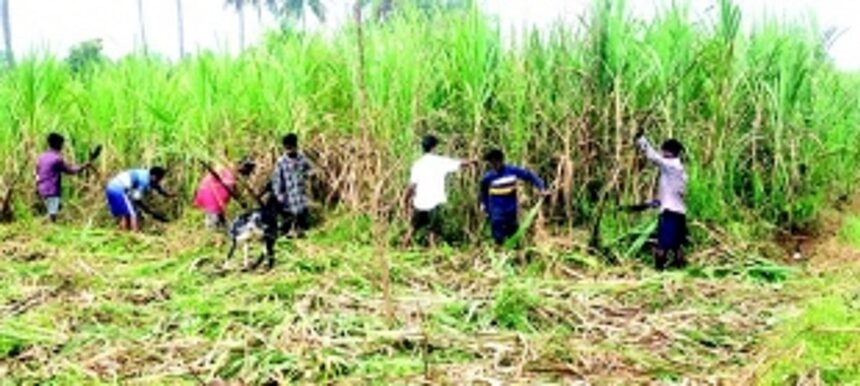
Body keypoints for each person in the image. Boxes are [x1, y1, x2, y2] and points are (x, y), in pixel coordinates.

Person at [401, 135, 475, 247]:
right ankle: (433, 252)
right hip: (435, 201)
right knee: (433, 231)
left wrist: (405, 198)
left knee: (413, 228)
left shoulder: (417, 164)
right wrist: (472, 161)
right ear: (434, 147)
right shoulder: (440, 161)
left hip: (420, 201)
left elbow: (412, 185)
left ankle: (403, 247)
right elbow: (460, 163)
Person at [634, 132, 688, 270]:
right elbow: (675, 193)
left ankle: (659, 271)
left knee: (662, 245)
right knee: (677, 245)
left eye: (663, 150)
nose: (661, 153)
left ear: (668, 152)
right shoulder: (680, 170)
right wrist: (655, 203)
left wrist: (641, 139)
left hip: (669, 213)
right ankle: (681, 271)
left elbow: (653, 157)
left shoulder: (670, 165)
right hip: (680, 213)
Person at [480, 149, 549, 246]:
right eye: (491, 163)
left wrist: (541, 188)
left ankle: (515, 252)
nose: (494, 165)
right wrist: (486, 208)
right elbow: (484, 194)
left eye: (495, 162)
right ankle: (500, 251)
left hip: (511, 211)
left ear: (501, 160)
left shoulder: (512, 171)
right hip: (496, 213)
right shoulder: (487, 178)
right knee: (498, 237)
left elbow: (530, 176)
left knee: (513, 236)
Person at [35, 133, 91, 222]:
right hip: (51, 190)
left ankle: (46, 225)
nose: (62, 146)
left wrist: (37, 187)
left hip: (41, 188)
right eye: (62, 144)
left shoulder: (41, 157)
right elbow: (70, 171)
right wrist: (83, 166)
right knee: (52, 215)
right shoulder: (57, 159)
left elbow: (37, 172)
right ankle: (51, 227)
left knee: (52, 210)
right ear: (58, 144)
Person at [105, 167, 174, 232]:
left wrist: (166, 194)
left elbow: (155, 185)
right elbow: (136, 199)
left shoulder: (146, 174)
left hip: (112, 187)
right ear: (154, 177)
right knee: (133, 213)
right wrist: (149, 211)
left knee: (126, 213)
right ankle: (135, 234)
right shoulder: (144, 181)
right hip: (117, 189)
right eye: (159, 179)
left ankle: (124, 234)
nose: (159, 181)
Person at [193, 158, 257, 229]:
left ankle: (220, 228)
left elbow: (234, 191)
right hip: (211, 195)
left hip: (212, 195)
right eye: (248, 170)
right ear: (242, 166)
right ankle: (211, 231)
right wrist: (242, 202)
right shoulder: (229, 172)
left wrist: (241, 201)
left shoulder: (228, 169)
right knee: (213, 220)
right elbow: (234, 191)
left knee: (221, 220)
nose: (248, 174)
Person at [271, 133, 314, 237]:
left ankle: (299, 227)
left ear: (296, 146)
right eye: (287, 148)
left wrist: (308, 174)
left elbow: (312, 169)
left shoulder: (302, 158)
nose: (289, 151)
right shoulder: (281, 162)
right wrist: (280, 197)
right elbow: (276, 181)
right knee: (286, 226)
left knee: (304, 224)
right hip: (288, 199)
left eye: (291, 148)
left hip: (301, 197)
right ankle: (288, 228)